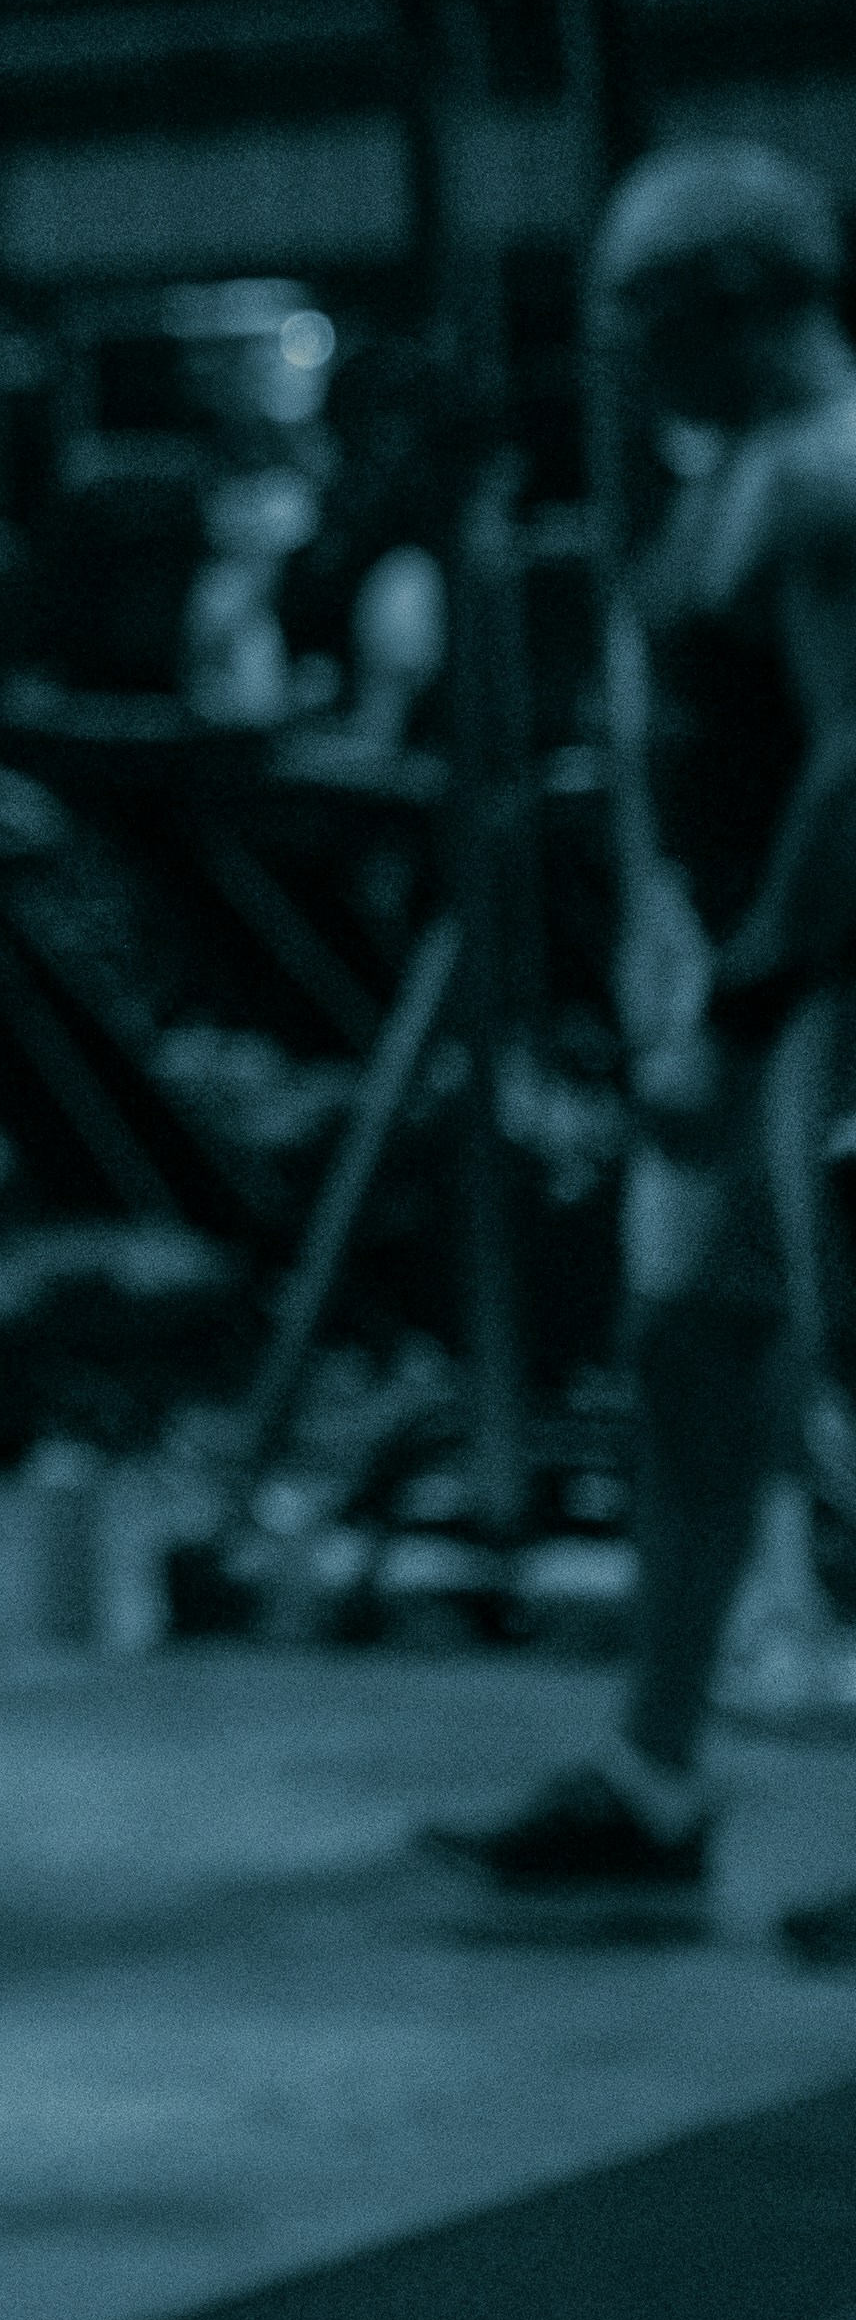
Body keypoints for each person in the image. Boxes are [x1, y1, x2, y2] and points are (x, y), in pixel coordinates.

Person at [431, 143, 856, 1919]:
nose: (626, 362)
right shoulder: (734, 478)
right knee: (693, 1376)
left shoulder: (825, 480)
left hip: (821, 1003)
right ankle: (656, 1784)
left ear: (745, 306)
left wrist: (743, 1015)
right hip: (749, 1010)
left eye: (650, 322)